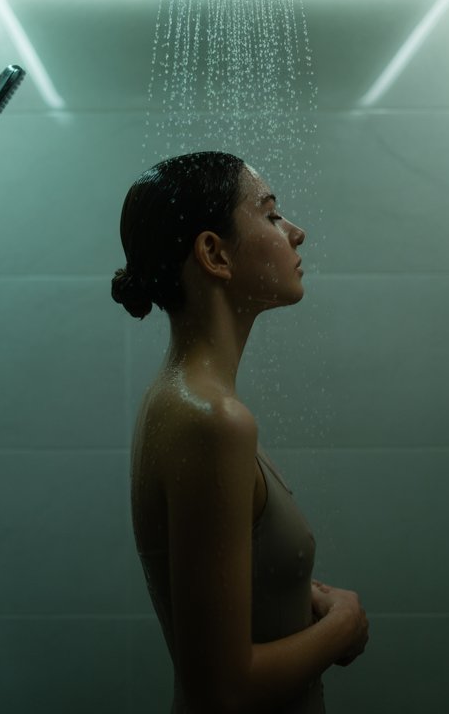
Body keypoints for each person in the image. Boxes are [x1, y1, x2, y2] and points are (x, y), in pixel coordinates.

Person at [112, 151, 369, 713]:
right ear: (214, 253)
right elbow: (224, 691)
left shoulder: (178, 399)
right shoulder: (211, 421)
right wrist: (345, 623)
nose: (296, 233)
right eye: (272, 215)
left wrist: (295, 592)